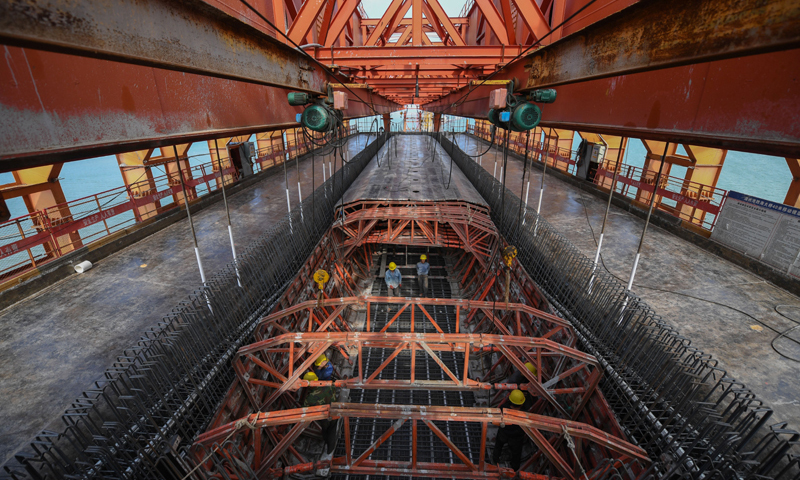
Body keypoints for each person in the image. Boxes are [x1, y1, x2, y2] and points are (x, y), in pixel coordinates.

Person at [302, 371, 338, 473]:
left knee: (326, 432)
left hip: (325, 418)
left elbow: (303, 410)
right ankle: (329, 448)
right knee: (332, 430)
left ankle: (329, 450)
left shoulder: (311, 397)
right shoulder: (328, 385)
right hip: (335, 412)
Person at [493, 389, 529, 471]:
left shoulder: (503, 408)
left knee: (498, 445)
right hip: (516, 438)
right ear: (522, 403)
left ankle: (495, 459)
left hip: (503, 433)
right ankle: (515, 468)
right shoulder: (524, 414)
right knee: (516, 453)